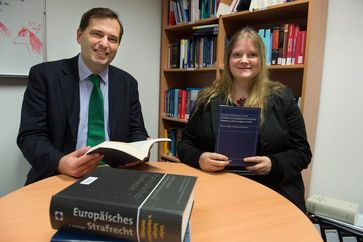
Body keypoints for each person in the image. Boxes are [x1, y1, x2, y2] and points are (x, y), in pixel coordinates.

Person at [177, 27, 312, 212]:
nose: (244, 60)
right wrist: (200, 158)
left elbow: (302, 152)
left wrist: (274, 164)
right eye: (237, 54)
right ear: (228, 60)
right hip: (220, 190)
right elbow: (185, 145)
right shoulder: (206, 100)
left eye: (252, 55)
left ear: (261, 60)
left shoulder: (283, 98)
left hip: (273, 191)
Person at [17, 7, 149, 185]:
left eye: (112, 39)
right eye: (97, 34)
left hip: (115, 178)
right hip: (60, 176)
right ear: (79, 35)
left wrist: (139, 150)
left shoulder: (127, 83)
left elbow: (137, 131)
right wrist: (60, 162)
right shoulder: (45, 76)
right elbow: (30, 135)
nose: (104, 44)